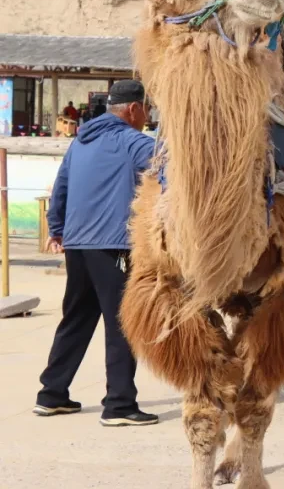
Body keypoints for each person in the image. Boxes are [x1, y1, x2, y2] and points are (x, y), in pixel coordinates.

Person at [35, 80, 158, 427]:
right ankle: (119, 405)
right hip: (113, 245)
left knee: (76, 318)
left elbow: (61, 187)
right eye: (145, 110)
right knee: (122, 323)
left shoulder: (80, 142)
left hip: (77, 244)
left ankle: (51, 395)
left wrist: (57, 229)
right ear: (133, 109)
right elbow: (169, 175)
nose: (146, 117)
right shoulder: (134, 142)